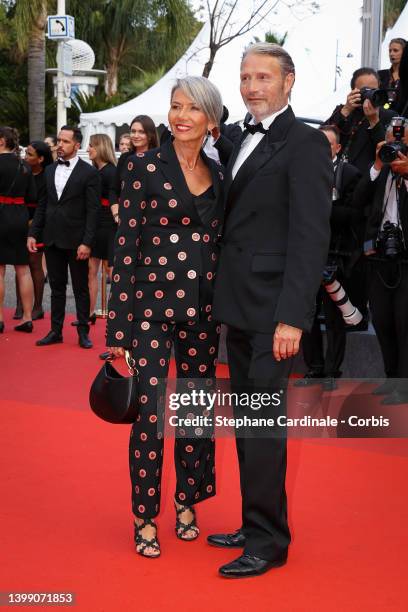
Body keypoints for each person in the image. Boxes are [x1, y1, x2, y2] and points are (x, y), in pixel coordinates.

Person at [208, 43, 332, 578]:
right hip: (237, 306)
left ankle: (268, 541)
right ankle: (255, 520)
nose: (252, 86)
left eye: (262, 77)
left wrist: (293, 318)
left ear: (288, 82)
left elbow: (310, 237)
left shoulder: (304, 143)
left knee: (261, 424)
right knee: (247, 423)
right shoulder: (237, 137)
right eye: (244, 77)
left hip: (273, 314)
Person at [107, 76, 224, 558]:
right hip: (150, 310)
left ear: (210, 120)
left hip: (203, 308)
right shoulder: (141, 166)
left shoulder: (221, 174)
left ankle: (187, 500)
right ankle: (144, 514)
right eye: (175, 106)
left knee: (195, 411)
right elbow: (126, 247)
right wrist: (119, 329)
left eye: (191, 109)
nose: (179, 116)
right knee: (151, 416)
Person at [296, 125, 361, 391]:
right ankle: (314, 367)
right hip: (306, 254)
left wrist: (321, 208)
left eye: (327, 144)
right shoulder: (300, 174)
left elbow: (355, 214)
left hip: (337, 254)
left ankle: (333, 371)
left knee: (335, 318)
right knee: (305, 314)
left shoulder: (350, 174)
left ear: (336, 148)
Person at [27, 125, 100, 349]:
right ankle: (55, 331)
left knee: (80, 289)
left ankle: (83, 332)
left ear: (77, 145)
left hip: (77, 240)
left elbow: (93, 211)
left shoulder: (89, 173)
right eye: (59, 140)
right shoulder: (49, 171)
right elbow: (42, 205)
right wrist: (33, 233)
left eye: (65, 141)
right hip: (51, 238)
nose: (60, 145)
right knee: (57, 288)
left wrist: (87, 242)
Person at [353, 119, 408, 405]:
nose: (396, 150)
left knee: (403, 323)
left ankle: (404, 384)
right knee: (384, 322)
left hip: (405, 259)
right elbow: (357, 200)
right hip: (377, 257)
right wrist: (376, 164)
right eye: (391, 144)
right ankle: (390, 378)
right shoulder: (380, 171)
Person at [100, 116, 160, 362]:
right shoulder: (125, 159)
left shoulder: (159, 159)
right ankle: (118, 338)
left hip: (150, 228)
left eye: (140, 132)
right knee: (121, 276)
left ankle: (146, 337)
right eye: (133, 131)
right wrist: (116, 209)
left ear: (149, 135)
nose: (135, 136)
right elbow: (114, 189)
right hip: (123, 224)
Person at [70, 134, 117, 326]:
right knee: (92, 271)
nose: (88, 149)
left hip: (109, 226)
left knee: (112, 272)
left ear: (101, 148)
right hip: (96, 225)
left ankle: (117, 315)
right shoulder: (96, 171)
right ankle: (89, 313)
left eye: (91, 146)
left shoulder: (111, 172)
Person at [325, 67, 396, 173]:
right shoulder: (344, 111)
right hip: (339, 176)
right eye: (365, 90)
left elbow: (387, 153)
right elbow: (321, 139)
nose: (371, 94)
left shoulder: (388, 116)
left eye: (374, 90)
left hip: (366, 179)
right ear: (353, 91)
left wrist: (374, 122)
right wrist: (345, 111)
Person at [0, 126, 36, 334]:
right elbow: (32, 197)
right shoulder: (24, 166)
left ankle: (0, 318)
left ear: (2, 141)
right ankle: (27, 318)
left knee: (0, 269)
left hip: (1, 215)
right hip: (20, 217)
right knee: (23, 269)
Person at [16, 141, 54, 321]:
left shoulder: (47, 175)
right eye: (26, 153)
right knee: (20, 263)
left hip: (40, 222)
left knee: (34, 264)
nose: (25, 157)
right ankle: (20, 306)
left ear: (40, 159)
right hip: (19, 220)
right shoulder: (22, 171)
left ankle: (38, 306)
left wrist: (33, 223)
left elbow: (46, 204)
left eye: (30, 154)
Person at [378, 38, 406, 109]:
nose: (391, 54)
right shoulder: (380, 75)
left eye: (395, 50)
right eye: (390, 51)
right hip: (383, 116)